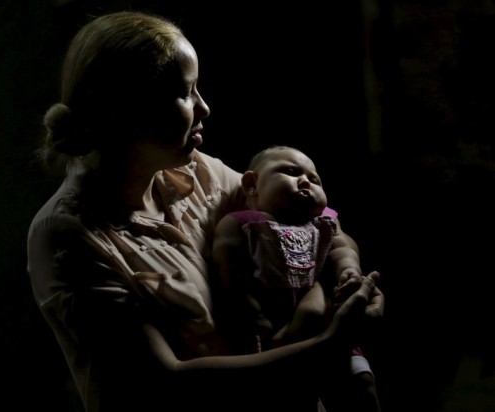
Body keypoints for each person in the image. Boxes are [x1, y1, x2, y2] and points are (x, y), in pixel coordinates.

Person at [26, 10, 384, 412]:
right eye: (185, 92)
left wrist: (345, 278)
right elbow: (165, 385)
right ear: (127, 108)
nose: (205, 107)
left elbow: (314, 228)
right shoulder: (71, 236)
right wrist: (326, 344)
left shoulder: (197, 173)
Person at [212, 145, 381, 411]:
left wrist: (348, 268)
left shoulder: (325, 220)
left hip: (330, 326)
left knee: (361, 385)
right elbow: (228, 261)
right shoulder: (244, 221)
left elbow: (342, 247)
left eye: (315, 179)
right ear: (252, 183)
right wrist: (245, 305)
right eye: (290, 172)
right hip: (276, 327)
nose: (305, 180)